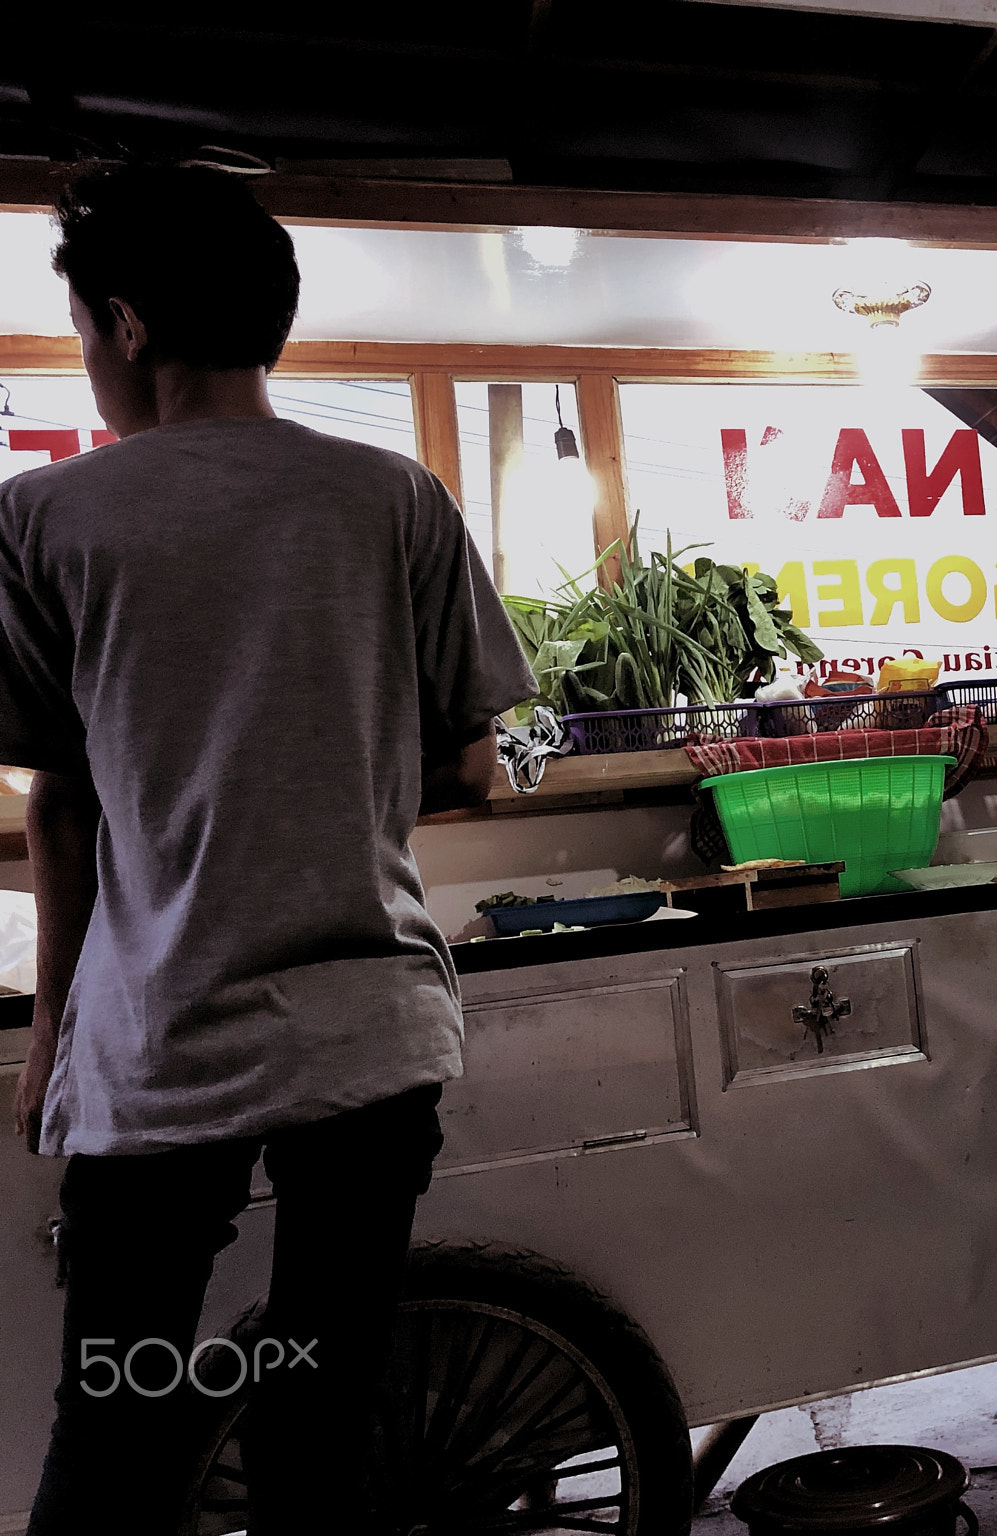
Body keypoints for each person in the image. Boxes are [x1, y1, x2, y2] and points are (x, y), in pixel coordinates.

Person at [2, 164, 536, 1535]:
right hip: (368, 1036)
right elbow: (473, 762)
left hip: (156, 1041)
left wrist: (55, 1018)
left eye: (81, 334)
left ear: (126, 324)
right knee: (318, 1424)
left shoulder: (44, 521)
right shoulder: (396, 499)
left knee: (114, 1430)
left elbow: (61, 800)